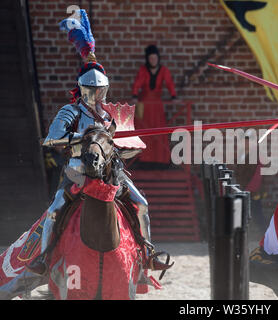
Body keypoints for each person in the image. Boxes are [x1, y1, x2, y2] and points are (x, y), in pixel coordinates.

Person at [27, 10, 167, 275]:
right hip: (78, 171)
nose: (95, 94)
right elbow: (51, 138)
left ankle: (148, 253)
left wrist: (125, 147)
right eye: (91, 90)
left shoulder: (110, 115)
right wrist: (83, 138)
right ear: (81, 89)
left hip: (110, 173)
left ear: (105, 89)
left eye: (99, 90)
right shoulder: (71, 112)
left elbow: (124, 146)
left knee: (141, 203)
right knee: (55, 210)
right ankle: (44, 258)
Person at [131, 45, 176, 165]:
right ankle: (144, 159)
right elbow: (137, 84)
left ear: (158, 58)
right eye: (151, 58)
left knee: (158, 128)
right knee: (144, 129)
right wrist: (135, 95)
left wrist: (173, 96)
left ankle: (160, 159)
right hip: (145, 104)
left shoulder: (164, 70)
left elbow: (170, 83)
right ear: (147, 59)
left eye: (155, 58)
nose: (153, 61)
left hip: (156, 105)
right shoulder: (143, 70)